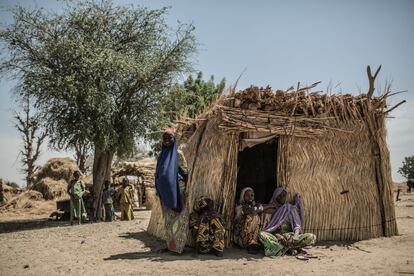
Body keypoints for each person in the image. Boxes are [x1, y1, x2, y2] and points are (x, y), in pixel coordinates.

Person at [155, 128, 189, 254]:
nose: (167, 140)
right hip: (165, 193)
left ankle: (179, 248)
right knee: (168, 221)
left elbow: (185, 172)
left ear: (174, 139)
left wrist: (183, 191)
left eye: (170, 138)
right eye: (165, 138)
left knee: (180, 220)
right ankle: (170, 246)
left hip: (178, 192)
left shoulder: (178, 154)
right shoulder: (160, 155)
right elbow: (158, 173)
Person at [260, 187, 316, 257]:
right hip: (277, 238)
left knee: (311, 237)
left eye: (284, 195)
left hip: (290, 237)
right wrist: (277, 235)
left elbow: (297, 226)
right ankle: (286, 248)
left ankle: (285, 248)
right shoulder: (270, 211)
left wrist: (295, 236)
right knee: (262, 234)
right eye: (279, 195)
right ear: (275, 196)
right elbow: (269, 228)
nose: (281, 198)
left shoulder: (290, 209)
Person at [233, 187, 276, 254]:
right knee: (253, 216)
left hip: (252, 237)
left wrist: (263, 208)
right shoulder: (240, 206)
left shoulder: (254, 205)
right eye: (247, 196)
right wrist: (267, 206)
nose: (250, 197)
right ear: (243, 196)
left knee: (266, 213)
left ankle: (255, 241)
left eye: (252, 195)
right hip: (241, 238)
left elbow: (271, 210)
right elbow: (253, 211)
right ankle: (251, 243)